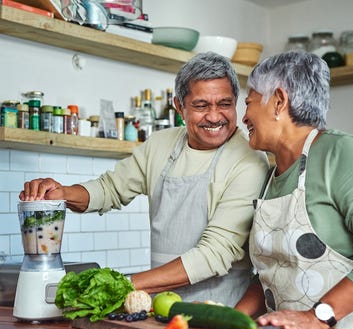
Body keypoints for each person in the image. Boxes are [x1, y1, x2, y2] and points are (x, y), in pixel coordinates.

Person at [19, 52, 269, 306]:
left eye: (225, 104)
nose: (215, 116)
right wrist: (63, 193)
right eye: (201, 106)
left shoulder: (249, 161)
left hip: (220, 311)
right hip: (159, 308)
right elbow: (111, 189)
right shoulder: (161, 144)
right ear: (179, 106)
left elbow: (215, 253)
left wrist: (122, 284)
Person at [235, 50, 353, 329]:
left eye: (250, 103)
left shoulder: (341, 153)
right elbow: (274, 275)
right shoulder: (270, 176)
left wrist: (317, 317)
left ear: (279, 101)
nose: (244, 117)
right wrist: (229, 320)